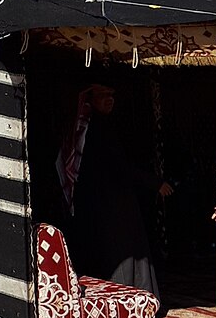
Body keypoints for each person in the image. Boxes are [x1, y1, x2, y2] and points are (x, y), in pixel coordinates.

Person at [57, 83, 170, 300]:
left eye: (112, 95)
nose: (110, 100)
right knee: (121, 254)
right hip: (109, 204)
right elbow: (118, 166)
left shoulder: (101, 126)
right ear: (91, 100)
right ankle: (129, 300)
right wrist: (154, 183)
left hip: (110, 201)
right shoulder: (93, 129)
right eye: (103, 95)